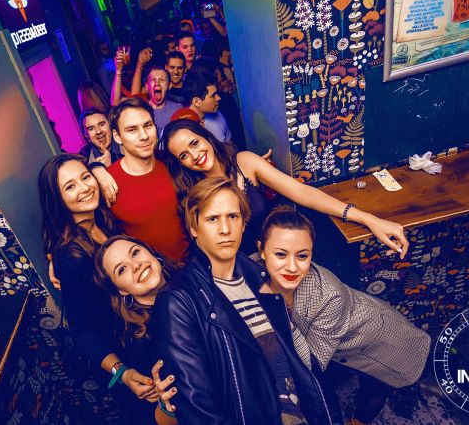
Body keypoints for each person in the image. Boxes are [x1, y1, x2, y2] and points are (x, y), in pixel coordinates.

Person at [150, 177, 338, 424]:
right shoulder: (177, 301)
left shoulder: (257, 273)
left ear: (243, 223)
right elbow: (200, 409)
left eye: (233, 216)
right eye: (212, 219)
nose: (225, 229)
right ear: (194, 228)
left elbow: (291, 358)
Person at [257, 207, 430, 425]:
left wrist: (276, 305)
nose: (291, 267)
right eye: (280, 254)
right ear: (261, 251)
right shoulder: (250, 269)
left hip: (384, 340)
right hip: (343, 345)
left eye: (302, 256)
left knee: (376, 386)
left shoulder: (330, 296)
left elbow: (309, 366)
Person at [160, 120, 410, 255]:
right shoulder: (199, 195)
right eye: (183, 155)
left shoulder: (244, 162)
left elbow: (302, 193)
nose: (194, 155)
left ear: (205, 136)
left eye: (194, 143)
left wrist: (368, 219)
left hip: (281, 256)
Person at [38, 154, 157, 421]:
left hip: (145, 332)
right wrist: (122, 373)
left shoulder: (101, 219)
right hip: (128, 355)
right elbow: (81, 331)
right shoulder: (71, 256)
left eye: (85, 177)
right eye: (70, 186)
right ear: (58, 199)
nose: (84, 188)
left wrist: (97, 167)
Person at [95, 235, 180, 425]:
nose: (135, 266)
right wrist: (166, 403)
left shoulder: (192, 278)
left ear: (150, 252)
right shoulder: (142, 343)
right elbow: (157, 420)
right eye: (122, 269)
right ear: (121, 290)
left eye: (135, 253)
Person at [94, 98, 190, 262]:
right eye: (132, 130)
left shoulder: (172, 162)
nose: (144, 136)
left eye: (147, 126)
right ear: (117, 136)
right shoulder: (107, 181)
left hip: (193, 264)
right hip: (151, 273)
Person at [182, 70, 232, 143]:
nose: (218, 98)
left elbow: (229, 144)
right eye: (213, 96)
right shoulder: (183, 128)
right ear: (196, 102)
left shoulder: (217, 114)